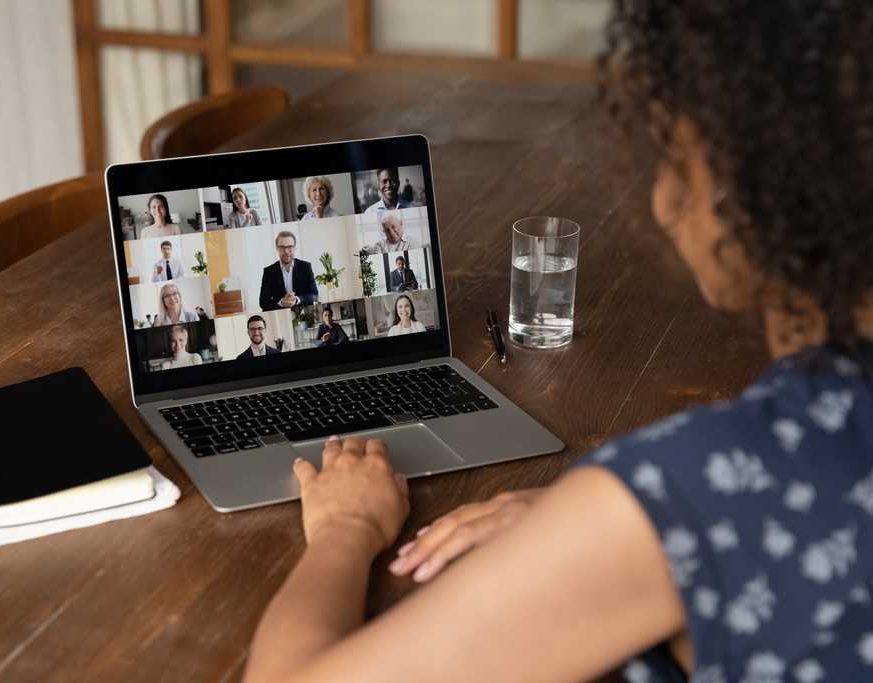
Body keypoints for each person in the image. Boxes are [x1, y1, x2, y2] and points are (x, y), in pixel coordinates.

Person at [243, 3, 873, 683]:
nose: (663, 201)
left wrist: (346, 529)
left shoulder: (703, 483)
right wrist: (595, 529)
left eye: (680, 160)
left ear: (775, 185)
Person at [259, 231, 319, 311]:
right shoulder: (269, 272)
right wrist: (281, 302)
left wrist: (297, 300)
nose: (286, 251)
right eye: (282, 247)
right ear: (277, 248)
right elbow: (263, 302)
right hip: (280, 317)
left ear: (294, 247)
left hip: (304, 315)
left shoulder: (305, 267)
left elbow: (315, 295)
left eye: (290, 247)